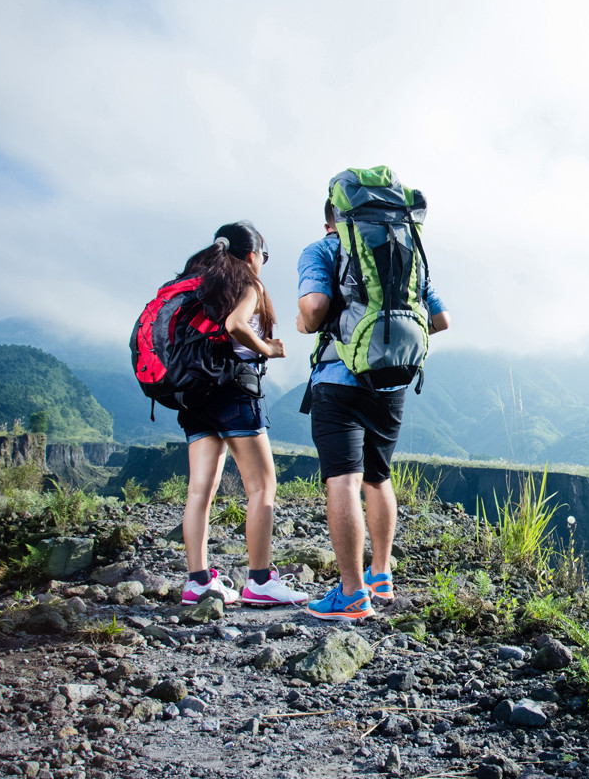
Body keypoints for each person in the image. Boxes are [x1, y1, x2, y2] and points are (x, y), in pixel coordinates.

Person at [296, 199, 450, 620]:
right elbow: (441, 319)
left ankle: (351, 594)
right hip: (393, 380)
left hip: (340, 380)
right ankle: (380, 576)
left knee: (343, 481)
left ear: (332, 217)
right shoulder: (405, 249)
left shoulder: (323, 249)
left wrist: (307, 324)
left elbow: (312, 311)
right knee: (378, 478)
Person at [177, 221, 308, 608]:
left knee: (199, 491)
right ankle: (260, 581)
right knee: (262, 487)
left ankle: (198, 582)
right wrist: (268, 349)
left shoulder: (198, 284)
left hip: (194, 393)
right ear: (252, 255)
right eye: (263, 256)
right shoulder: (248, 284)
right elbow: (236, 326)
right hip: (233, 390)